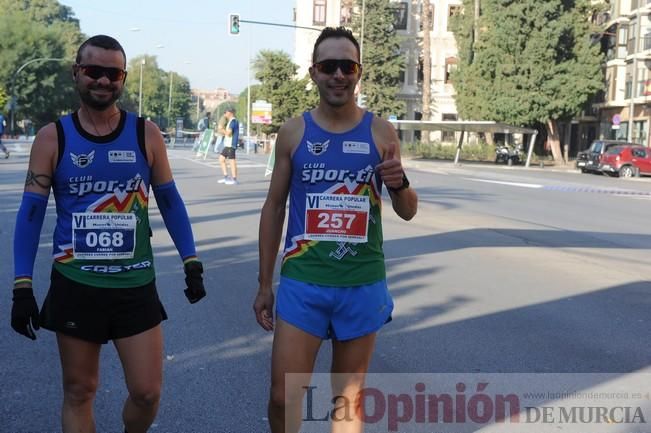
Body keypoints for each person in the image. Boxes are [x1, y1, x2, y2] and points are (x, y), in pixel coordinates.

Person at [10, 35, 206, 433]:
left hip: (135, 285)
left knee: (147, 392)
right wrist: (22, 286)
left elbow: (169, 201)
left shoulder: (145, 134)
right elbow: (30, 214)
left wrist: (191, 260)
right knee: (80, 391)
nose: (102, 81)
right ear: (76, 74)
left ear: (123, 78)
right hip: (76, 285)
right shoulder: (53, 138)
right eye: (93, 71)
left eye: (112, 73)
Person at [253, 26, 418, 433]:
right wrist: (263, 284)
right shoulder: (293, 132)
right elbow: (274, 206)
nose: (339, 75)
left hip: (361, 284)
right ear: (314, 73)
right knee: (282, 397)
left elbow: (409, 211)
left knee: (348, 401)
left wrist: (399, 183)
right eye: (330, 66)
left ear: (359, 72)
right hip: (303, 283)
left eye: (348, 66)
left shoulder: (381, 131)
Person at [217, 108, 239, 185]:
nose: (224, 114)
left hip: (231, 145)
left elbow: (229, 133)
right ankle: (226, 177)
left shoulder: (233, 121)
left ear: (230, 113)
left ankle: (234, 179)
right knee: (221, 159)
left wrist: (221, 129)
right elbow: (226, 133)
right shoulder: (229, 121)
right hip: (227, 145)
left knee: (232, 161)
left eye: (225, 112)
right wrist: (221, 130)